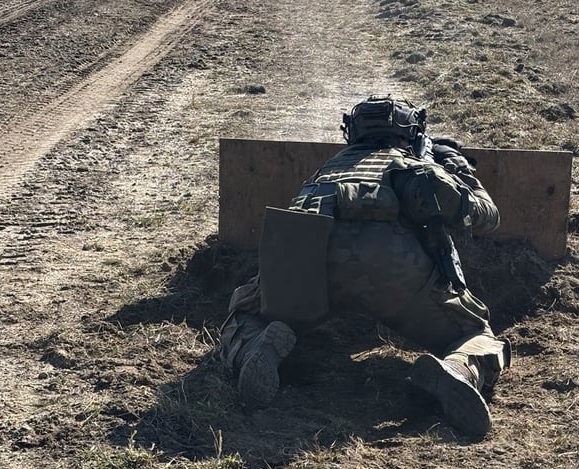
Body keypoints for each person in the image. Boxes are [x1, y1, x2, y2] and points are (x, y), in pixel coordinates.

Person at [219, 95, 511, 436]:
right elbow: (486, 218)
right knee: (475, 333)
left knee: (243, 314)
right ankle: (460, 369)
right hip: (395, 272)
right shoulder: (414, 167)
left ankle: (258, 348)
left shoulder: (326, 170)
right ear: (411, 133)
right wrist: (458, 169)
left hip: (308, 266)